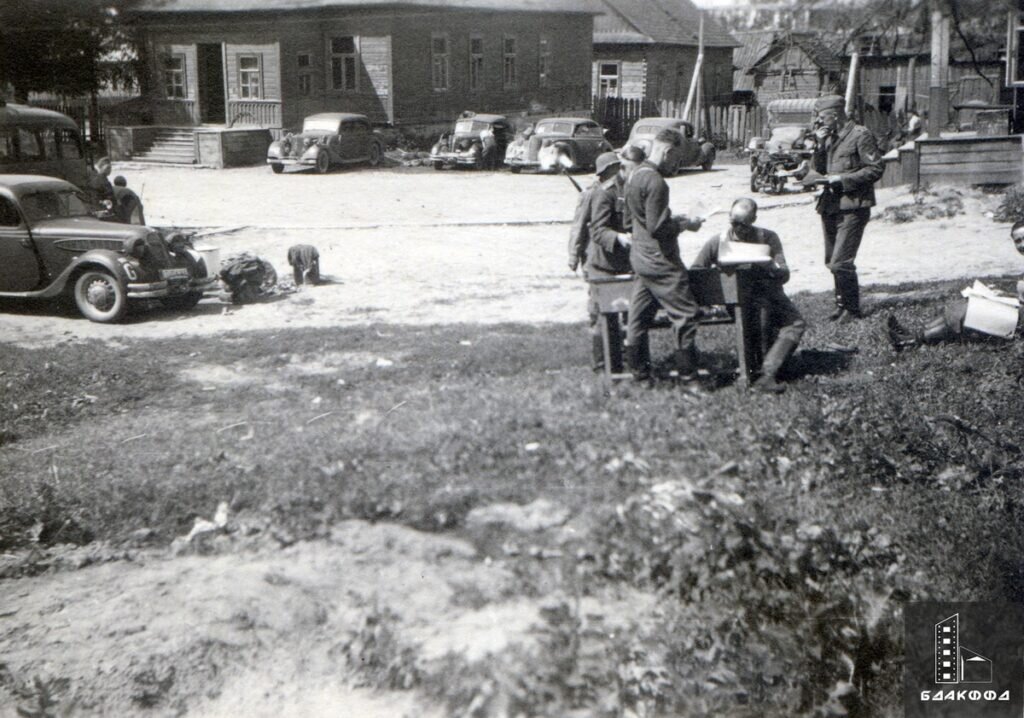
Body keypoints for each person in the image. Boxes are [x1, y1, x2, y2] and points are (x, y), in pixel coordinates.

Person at [692, 198, 806, 393]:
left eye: (743, 225)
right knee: (760, 317)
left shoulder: (768, 238)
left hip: (769, 292)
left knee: (795, 323)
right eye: (734, 223)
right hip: (736, 298)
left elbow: (784, 273)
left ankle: (767, 372)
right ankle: (763, 374)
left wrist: (770, 266)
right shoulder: (718, 241)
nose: (738, 229)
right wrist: (713, 298)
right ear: (729, 217)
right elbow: (696, 271)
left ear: (753, 219)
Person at [621, 131, 704, 386]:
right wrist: (684, 225)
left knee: (638, 316)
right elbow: (658, 228)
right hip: (662, 262)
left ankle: (640, 376)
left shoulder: (634, 175)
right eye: (676, 158)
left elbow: (631, 221)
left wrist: (669, 219)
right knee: (686, 315)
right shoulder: (657, 182)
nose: (675, 165)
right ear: (667, 152)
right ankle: (689, 380)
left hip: (641, 258)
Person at [887, 221, 1024, 351]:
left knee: (969, 310)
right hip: (1019, 314)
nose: (1022, 244)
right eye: (1018, 241)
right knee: (966, 302)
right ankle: (914, 334)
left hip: (1020, 323)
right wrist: (1005, 295)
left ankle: (910, 342)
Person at [811, 95, 884, 322]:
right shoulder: (829, 138)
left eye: (822, 117)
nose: (819, 122)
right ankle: (841, 305)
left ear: (835, 115)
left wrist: (841, 179)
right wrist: (820, 146)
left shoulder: (860, 135)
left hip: (853, 206)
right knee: (832, 260)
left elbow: (875, 169)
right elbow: (818, 169)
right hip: (830, 205)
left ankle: (852, 310)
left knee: (841, 261)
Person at [572, 151, 633, 371]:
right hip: (601, 263)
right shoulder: (598, 193)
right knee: (600, 315)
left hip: (625, 262)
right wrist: (574, 255)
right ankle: (601, 365)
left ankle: (624, 361)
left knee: (627, 314)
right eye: (618, 167)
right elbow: (584, 228)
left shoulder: (629, 189)